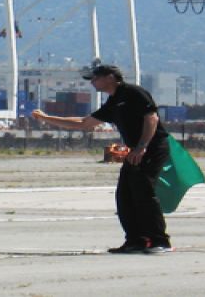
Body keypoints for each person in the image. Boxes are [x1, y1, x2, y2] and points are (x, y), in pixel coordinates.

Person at [31, 64, 172, 254]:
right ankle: (136, 240)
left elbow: (151, 118)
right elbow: (84, 123)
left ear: (110, 77)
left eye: (95, 78)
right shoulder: (113, 101)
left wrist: (142, 147)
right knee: (125, 195)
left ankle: (159, 241)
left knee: (143, 192)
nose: (92, 82)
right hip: (136, 150)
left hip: (152, 148)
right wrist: (46, 118)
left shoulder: (133, 92)